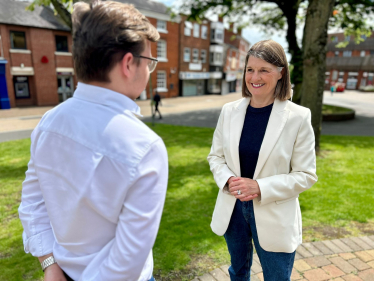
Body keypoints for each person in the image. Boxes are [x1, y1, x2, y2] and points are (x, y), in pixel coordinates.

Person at [18, 2, 167, 281]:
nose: (149, 71)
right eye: (149, 62)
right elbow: (127, 262)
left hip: (63, 273)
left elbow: (31, 204)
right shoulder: (145, 146)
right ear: (127, 64)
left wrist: (49, 263)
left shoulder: (48, 123)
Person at [207, 40, 318, 281]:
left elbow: (306, 175)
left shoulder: (298, 117)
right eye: (250, 69)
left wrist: (259, 187)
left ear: (280, 73)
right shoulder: (229, 111)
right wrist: (228, 181)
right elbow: (216, 156)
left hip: (274, 213)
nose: (254, 77)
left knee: (277, 277)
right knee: (237, 272)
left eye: (264, 70)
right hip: (233, 208)